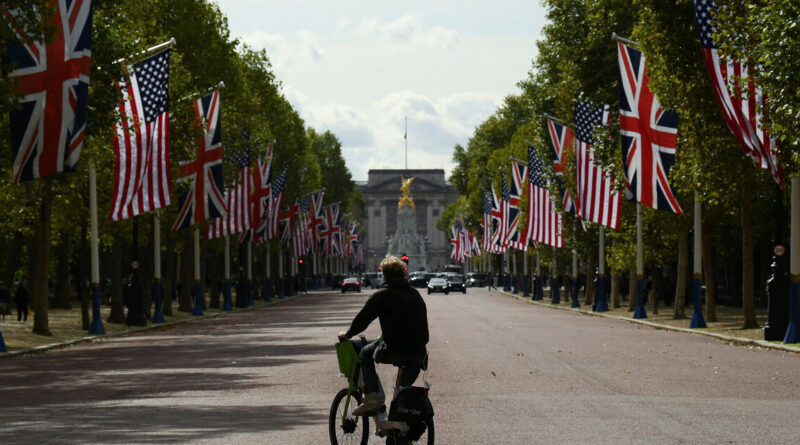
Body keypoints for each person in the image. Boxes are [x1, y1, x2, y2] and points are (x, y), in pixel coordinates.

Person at [338, 256, 429, 416]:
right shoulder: (415, 294)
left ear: (384, 275)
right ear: (403, 274)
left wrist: (348, 334)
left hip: (395, 349)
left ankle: (372, 397)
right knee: (401, 394)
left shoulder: (382, 295)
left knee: (365, 352)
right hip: (418, 353)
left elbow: (362, 320)